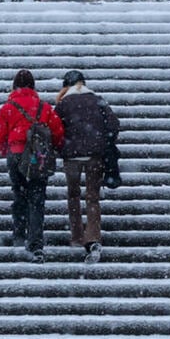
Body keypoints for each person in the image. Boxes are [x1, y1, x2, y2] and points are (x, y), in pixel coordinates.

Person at [0, 69, 64, 264]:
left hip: (16, 156)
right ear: (33, 86)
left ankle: (19, 235)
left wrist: (5, 150)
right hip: (38, 157)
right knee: (37, 198)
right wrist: (53, 148)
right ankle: (35, 244)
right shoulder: (44, 107)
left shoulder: (8, 107)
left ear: (14, 86)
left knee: (19, 195)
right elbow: (57, 132)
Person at [54, 70, 120, 264]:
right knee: (92, 197)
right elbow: (114, 125)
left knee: (73, 195)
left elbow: (54, 128)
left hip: (71, 157)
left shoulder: (63, 103)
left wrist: (63, 146)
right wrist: (102, 142)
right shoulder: (97, 100)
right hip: (94, 156)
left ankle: (76, 236)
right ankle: (93, 237)